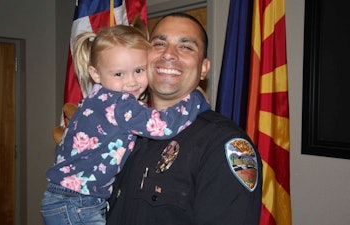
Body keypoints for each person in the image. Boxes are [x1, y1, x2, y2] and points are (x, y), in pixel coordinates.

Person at [40, 24, 210, 225]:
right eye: (119, 74)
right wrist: (195, 99)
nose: (131, 82)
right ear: (95, 74)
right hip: (78, 202)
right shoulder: (120, 104)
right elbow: (163, 125)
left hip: (66, 197)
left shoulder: (97, 98)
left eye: (139, 70)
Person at [106, 13, 262, 225]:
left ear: (204, 68)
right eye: (159, 44)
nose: (168, 54)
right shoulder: (125, 132)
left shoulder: (222, 144)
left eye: (186, 47)